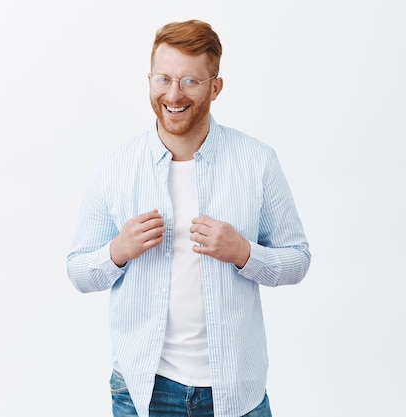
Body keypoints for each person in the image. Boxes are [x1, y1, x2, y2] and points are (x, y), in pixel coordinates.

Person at [67, 19, 310, 417]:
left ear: (215, 87)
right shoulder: (116, 168)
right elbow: (77, 271)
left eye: (190, 82)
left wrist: (246, 253)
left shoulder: (257, 163)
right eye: (163, 78)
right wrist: (117, 251)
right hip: (144, 389)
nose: (173, 94)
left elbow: (298, 259)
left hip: (234, 390)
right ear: (149, 79)